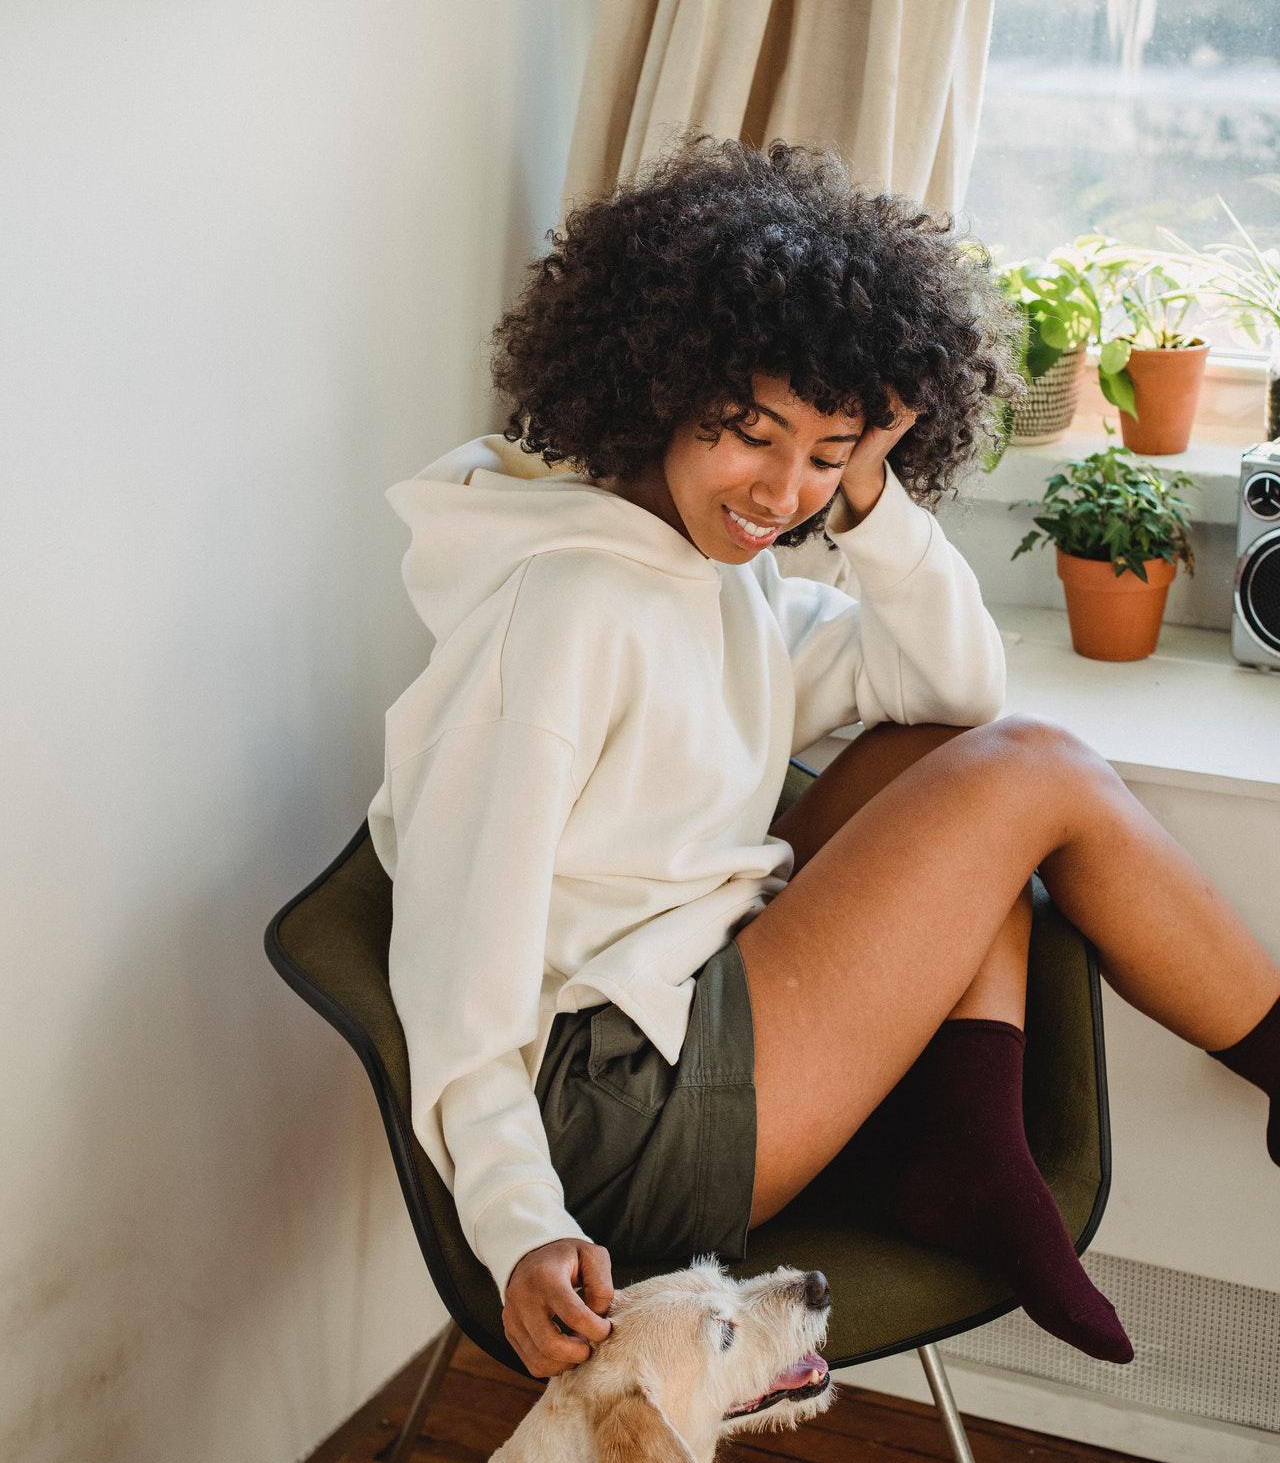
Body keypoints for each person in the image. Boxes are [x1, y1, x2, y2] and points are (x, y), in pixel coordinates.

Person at [368, 134, 1280, 1383]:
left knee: (954, 756)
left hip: (691, 1000)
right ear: (652, 389)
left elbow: (951, 692)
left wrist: (872, 502)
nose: (779, 492)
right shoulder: (565, 614)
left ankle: (961, 1154)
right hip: (610, 1127)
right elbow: (451, 963)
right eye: (748, 432)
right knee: (1038, 769)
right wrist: (522, 1222)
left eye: (824, 452)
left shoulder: (708, 569)